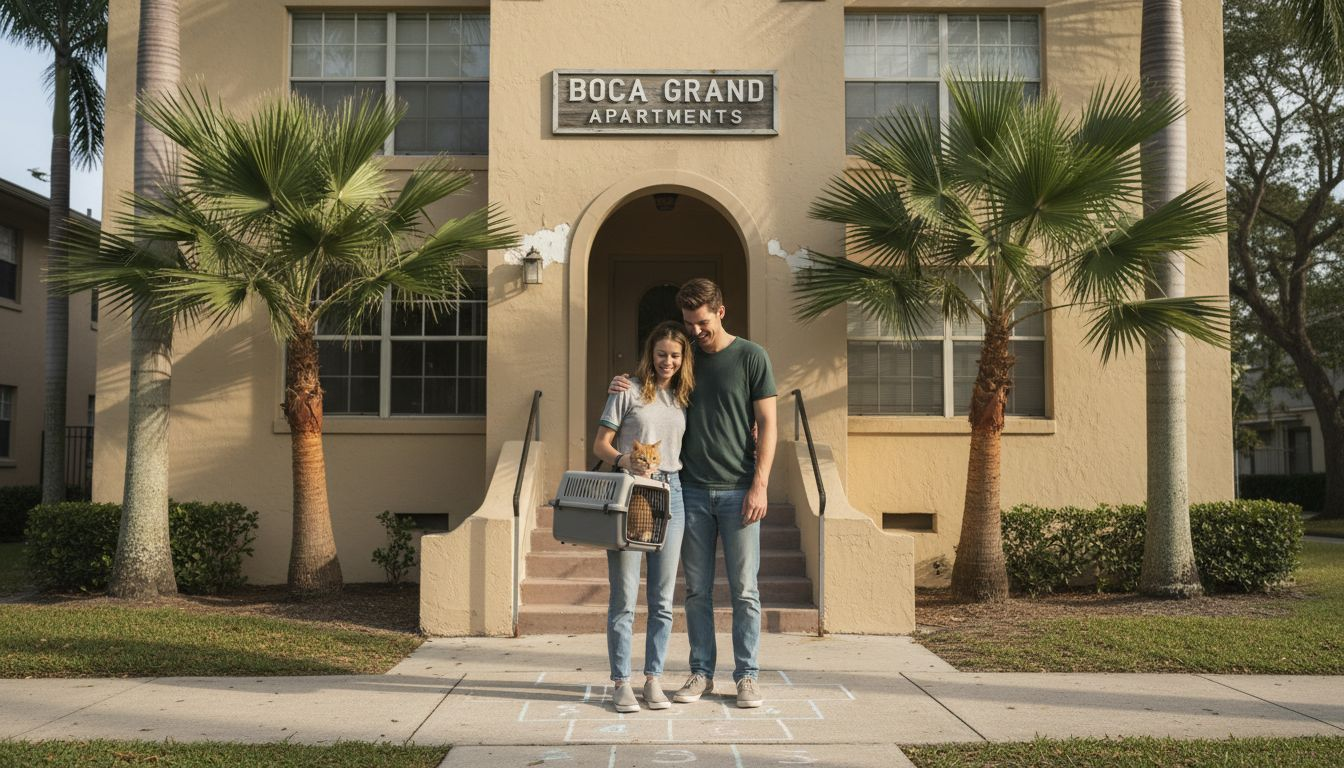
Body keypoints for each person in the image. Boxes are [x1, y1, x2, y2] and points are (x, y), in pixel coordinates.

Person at [610, 278, 777, 709]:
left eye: (702, 322)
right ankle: (701, 672)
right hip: (691, 492)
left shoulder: (752, 356)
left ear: (721, 312)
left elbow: (769, 423)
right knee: (696, 591)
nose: (696, 331)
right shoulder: (684, 360)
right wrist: (623, 383)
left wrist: (760, 484)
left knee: (744, 590)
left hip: (740, 488)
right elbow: (653, 383)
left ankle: (747, 677)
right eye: (688, 324)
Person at [593, 321, 695, 713]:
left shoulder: (685, 397)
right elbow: (601, 443)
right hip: (631, 493)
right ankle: (621, 683)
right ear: (650, 354)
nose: (667, 361)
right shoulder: (627, 390)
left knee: (663, 599)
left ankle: (653, 680)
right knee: (624, 596)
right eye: (661, 354)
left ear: (682, 358)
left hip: (673, 494)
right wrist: (625, 460)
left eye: (675, 355)